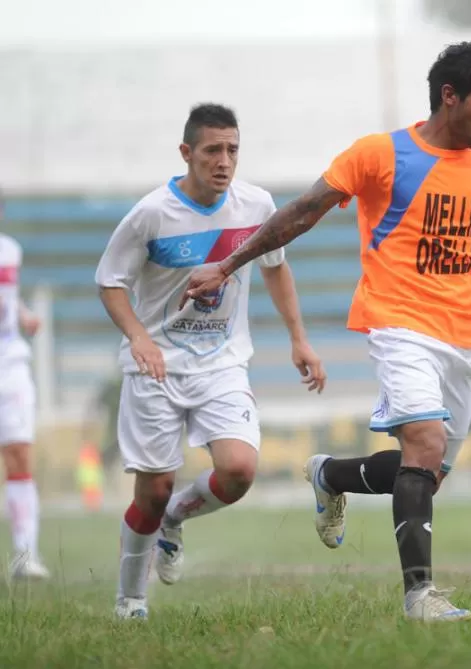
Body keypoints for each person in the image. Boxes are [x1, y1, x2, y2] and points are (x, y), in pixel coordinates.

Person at [181, 41, 471, 622]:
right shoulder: (381, 154)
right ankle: (419, 596)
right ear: (450, 97)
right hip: (397, 321)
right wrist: (227, 265)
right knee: (423, 446)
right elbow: (302, 211)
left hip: (462, 334)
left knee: (426, 473)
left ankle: (329, 474)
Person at [95, 103, 325, 620]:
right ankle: (131, 599)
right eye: (213, 150)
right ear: (187, 153)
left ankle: (176, 519)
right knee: (151, 491)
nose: (224, 161)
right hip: (156, 368)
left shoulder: (256, 204)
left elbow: (276, 268)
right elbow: (109, 281)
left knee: (239, 470)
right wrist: (139, 338)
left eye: (233, 150)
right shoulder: (152, 214)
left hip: (221, 363)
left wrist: (299, 338)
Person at [0, 189, 48, 580]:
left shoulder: (9, 251)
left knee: (19, 455)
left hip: (10, 364)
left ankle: (24, 556)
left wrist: (22, 315)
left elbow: (6, 299)